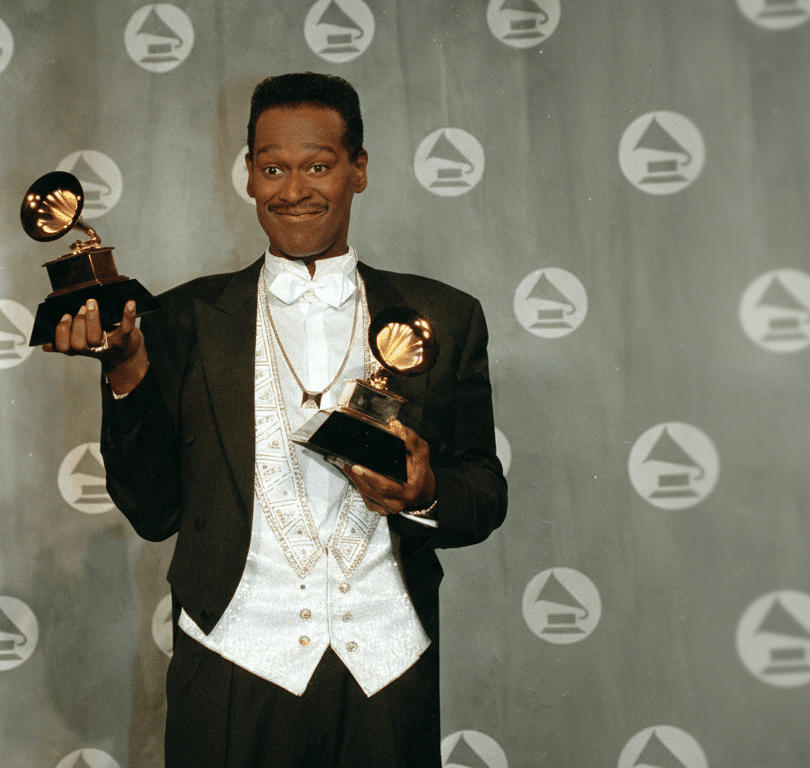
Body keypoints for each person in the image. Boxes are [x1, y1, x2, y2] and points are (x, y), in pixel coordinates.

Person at [43, 72, 507, 768]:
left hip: (385, 668)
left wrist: (425, 490)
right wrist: (127, 372)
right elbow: (152, 511)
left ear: (360, 170)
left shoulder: (444, 317)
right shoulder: (181, 320)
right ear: (251, 178)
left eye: (318, 165)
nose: (294, 189)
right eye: (273, 168)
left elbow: (485, 496)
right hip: (233, 665)